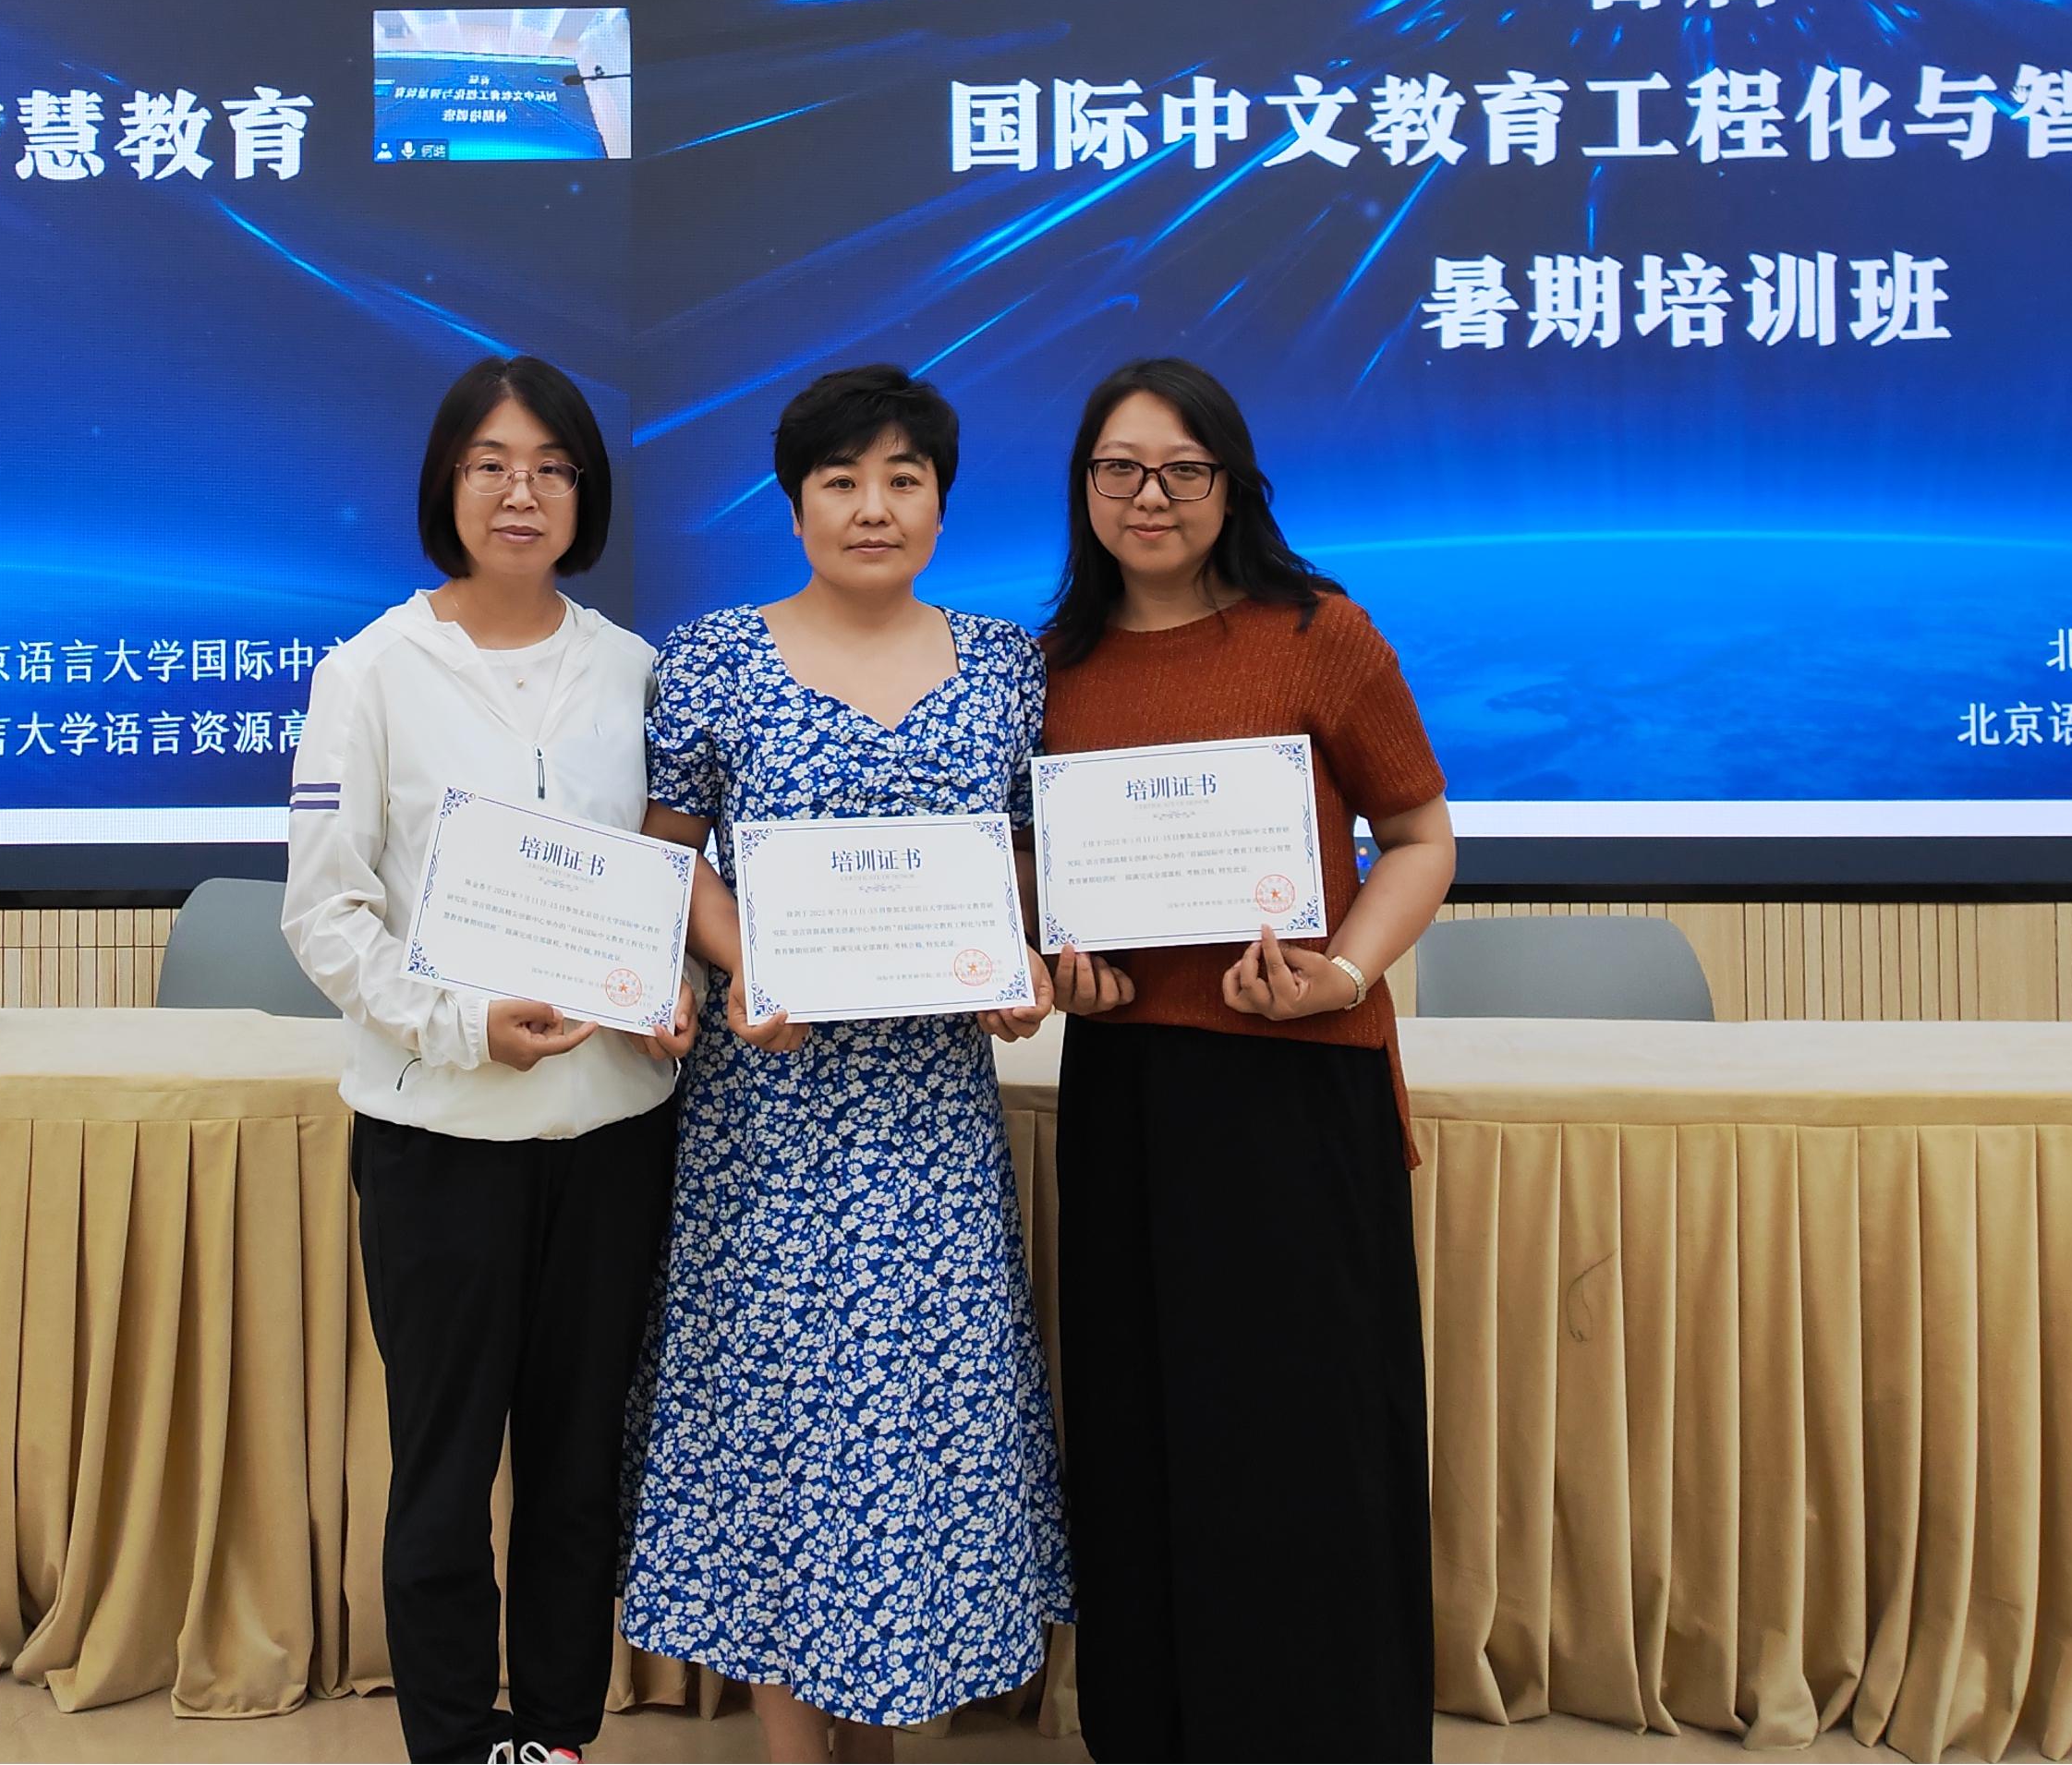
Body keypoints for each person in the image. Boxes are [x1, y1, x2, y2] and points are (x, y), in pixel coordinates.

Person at [621, 365, 1068, 1765]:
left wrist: (1017, 957)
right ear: (796, 503)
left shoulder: (1006, 666)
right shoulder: (713, 658)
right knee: (783, 1414)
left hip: (931, 1112)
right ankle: (792, 1746)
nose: (873, 508)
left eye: (903, 481)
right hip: (770, 1107)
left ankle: (882, 1725)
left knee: (924, 1416)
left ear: (941, 502)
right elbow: (667, 856)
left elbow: (1019, 852)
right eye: (841, 482)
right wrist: (746, 957)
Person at [1033, 356, 1458, 1762]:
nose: (1149, 496)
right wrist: (1058, 960)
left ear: (1232, 485)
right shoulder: (1050, 669)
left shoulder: (1318, 633)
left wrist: (1344, 972)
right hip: (1128, 1091)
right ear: (1085, 489)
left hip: (1296, 1084)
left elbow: (1421, 839)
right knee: (1143, 1423)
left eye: (1183, 470)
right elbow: (1035, 880)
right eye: (1120, 469)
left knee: (1305, 1432)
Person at [281, 353, 696, 1765]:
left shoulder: (636, 670)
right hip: (440, 1140)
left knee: (579, 1469)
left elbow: (670, 883)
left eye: (552, 469)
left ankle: (559, 1737)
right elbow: (324, 914)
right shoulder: (369, 674)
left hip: (615, 1133)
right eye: (491, 466)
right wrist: (461, 1026)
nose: (523, 493)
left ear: (587, 495)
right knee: (446, 1474)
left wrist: (677, 988)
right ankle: (457, 1744)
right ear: (445, 487)